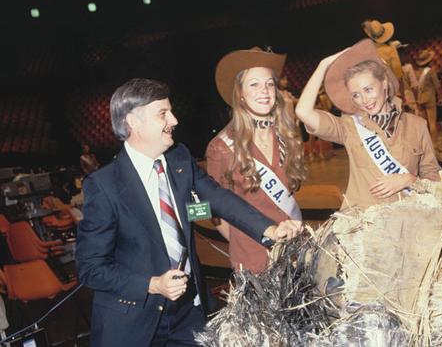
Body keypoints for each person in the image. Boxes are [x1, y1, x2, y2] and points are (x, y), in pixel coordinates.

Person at [75, 78, 303, 347]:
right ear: (133, 122)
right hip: (134, 320)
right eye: (163, 114)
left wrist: (270, 230)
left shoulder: (179, 158)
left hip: (188, 314)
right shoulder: (104, 186)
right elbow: (90, 267)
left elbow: (219, 197)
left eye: (171, 111)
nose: (174, 120)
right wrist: (153, 284)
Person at [295, 39, 440, 210]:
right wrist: (324, 64)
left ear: (384, 83)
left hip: (408, 222)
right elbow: (303, 112)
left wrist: (409, 180)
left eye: (368, 90)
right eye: (356, 95)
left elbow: (434, 181)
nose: (364, 100)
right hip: (363, 226)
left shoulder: (417, 125)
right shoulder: (349, 125)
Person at [206, 48, 307, 273]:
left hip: (294, 253)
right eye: (254, 84)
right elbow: (206, 208)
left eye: (270, 84)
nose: (265, 91)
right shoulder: (221, 146)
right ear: (240, 93)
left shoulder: (286, 136)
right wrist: (244, 244)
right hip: (254, 262)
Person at [413, 49, 442, 150]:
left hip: (420, 99)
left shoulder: (416, 72)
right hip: (430, 99)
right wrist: (440, 97)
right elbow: (437, 85)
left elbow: (414, 87)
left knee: (424, 124)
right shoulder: (430, 71)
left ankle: (426, 146)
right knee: (432, 123)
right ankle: (435, 145)